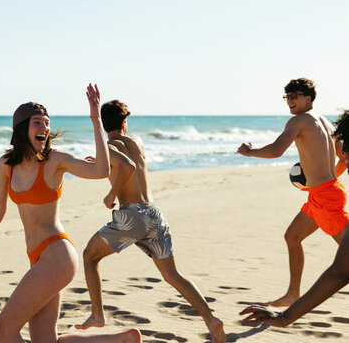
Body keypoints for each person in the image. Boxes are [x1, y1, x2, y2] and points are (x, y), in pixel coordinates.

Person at [0, 85, 141, 343]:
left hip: (56, 255)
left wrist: (94, 120)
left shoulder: (54, 161)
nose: (44, 128)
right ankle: (122, 339)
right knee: (45, 340)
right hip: (39, 259)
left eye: (46, 123)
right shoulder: (6, 165)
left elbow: (101, 170)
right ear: (21, 128)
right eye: (37, 123)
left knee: (4, 329)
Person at [74, 100, 226, 343]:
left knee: (89, 256)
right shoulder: (137, 141)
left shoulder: (108, 144)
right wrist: (101, 160)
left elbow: (127, 167)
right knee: (173, 275)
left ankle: (97, 314)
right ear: (124, 122)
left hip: (132, 217)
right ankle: (211, 319)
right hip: (155, 215)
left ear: (103, 124)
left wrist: (111, 194)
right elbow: (130, 162)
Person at [237, 78, 347, 307]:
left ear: (309, 98)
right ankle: (292, 294)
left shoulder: (299, 121)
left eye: (295, 95)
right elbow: (343, 159)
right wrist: (320, 183)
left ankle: (293, 295)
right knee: (292, 236)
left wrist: (249, 152)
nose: (290, 101)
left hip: (325, 196)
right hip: (324, 193)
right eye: (287, 96)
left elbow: (277, 151)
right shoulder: (325, 123)